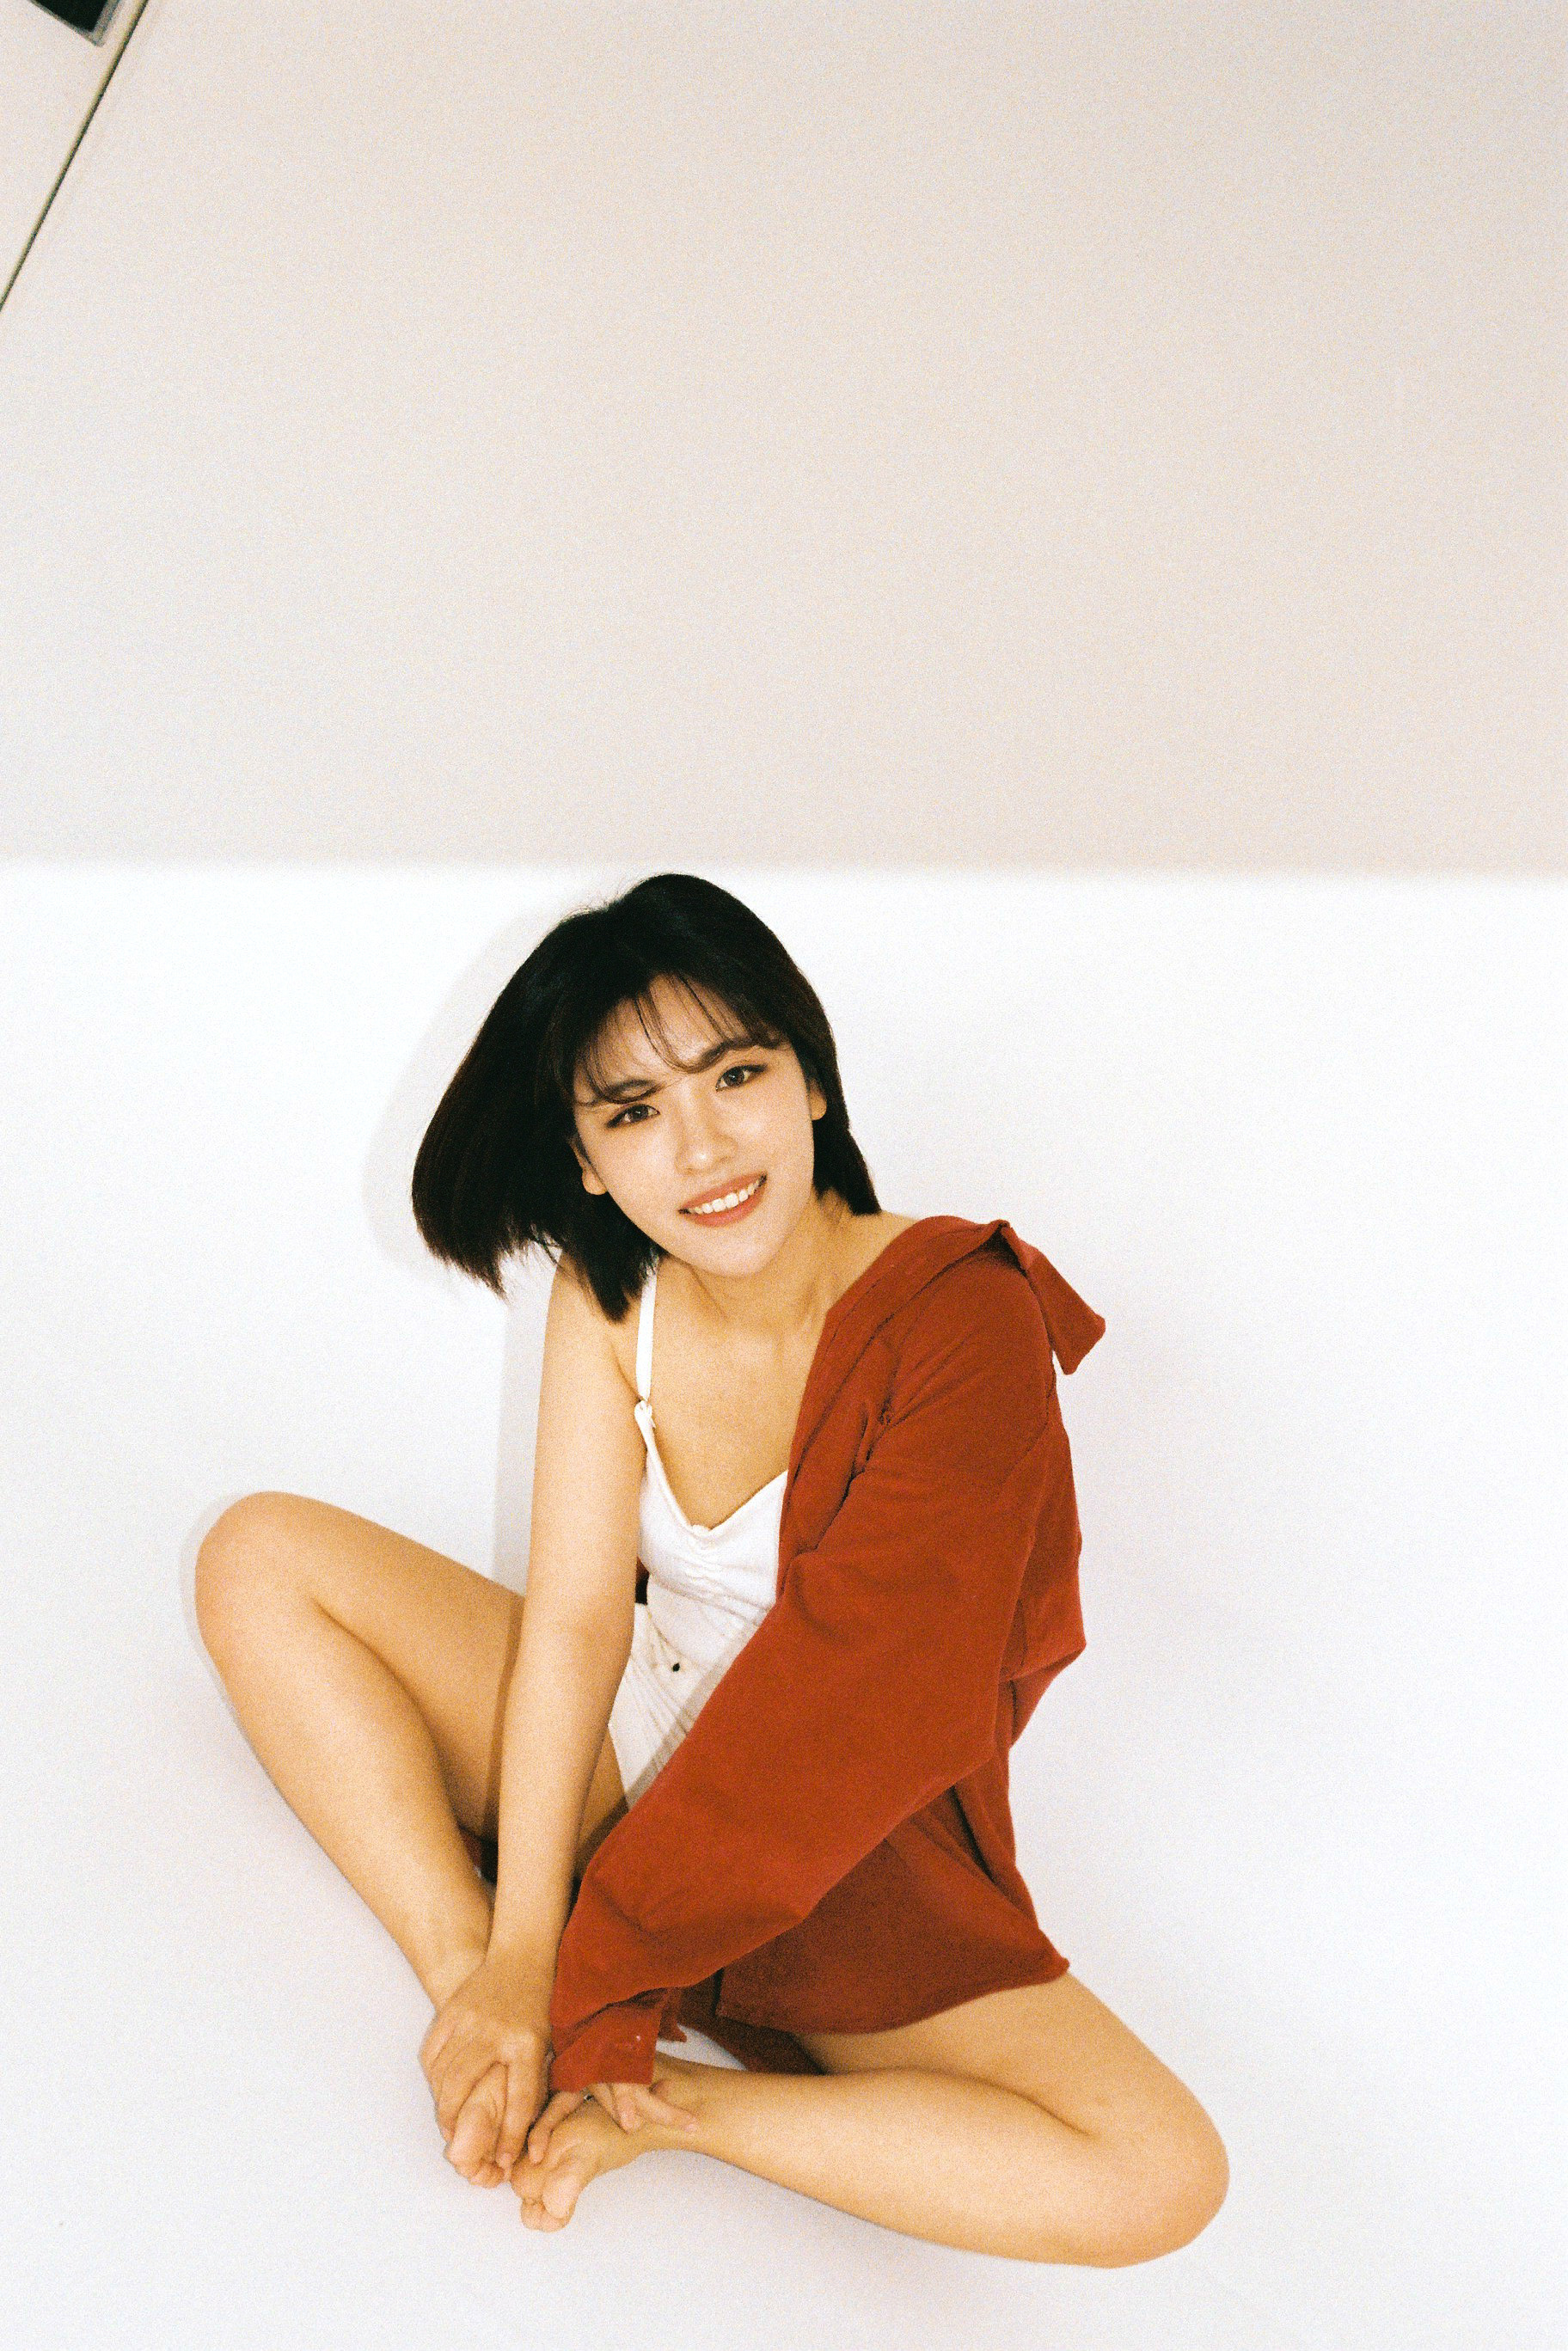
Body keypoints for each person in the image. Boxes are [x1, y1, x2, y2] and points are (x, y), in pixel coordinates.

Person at [193, 872, 1228, 2261]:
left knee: (1162, 2177)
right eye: (633, 1112)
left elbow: (871, 1693)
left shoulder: (960, 1314)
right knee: (257, 1555)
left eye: (736, 1075)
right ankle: (475, 1980)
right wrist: (515, 1958)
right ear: (585, 1160)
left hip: (842, 1828)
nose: (700, 1148)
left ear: (813, 1084)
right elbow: (576, 1625)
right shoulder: (609, 1292)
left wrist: (617, 1994)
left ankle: (671, 2109)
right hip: (640, 1735)